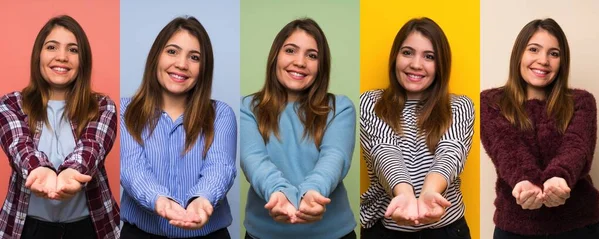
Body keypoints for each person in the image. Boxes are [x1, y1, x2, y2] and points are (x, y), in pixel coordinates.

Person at [0, 15, 119, 239]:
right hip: (27, 229)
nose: (62, 57)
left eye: (73, 50)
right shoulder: (10, 104)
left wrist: (71, 172)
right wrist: (38, 169)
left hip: (90, 228)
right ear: (38, 55)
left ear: (83, 60)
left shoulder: (103, 107)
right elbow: (18, 144)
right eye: (52, 47)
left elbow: (91, 147)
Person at [481, 18, 599, 239]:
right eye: (534, 49)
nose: (543, 60)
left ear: (562, 62)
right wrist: (526, 181)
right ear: (519, 54)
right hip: (515, 228)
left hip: (578, 227)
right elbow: (505, 147)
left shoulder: (582, 101)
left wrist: (559, 177)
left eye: (554, 53)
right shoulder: (490, 102)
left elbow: (577, 146)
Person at [119, 16, 237, 239]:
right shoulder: (125, 111)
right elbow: (131, 168)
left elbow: (220, 166)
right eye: (172, 51)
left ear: (204, 67)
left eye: (194, 57)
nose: (182, 64)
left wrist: (201, 200)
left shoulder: (221, 114)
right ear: (156, 56)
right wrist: (161, 201)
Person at [240, 18, 357, 239]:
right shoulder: (247, 108)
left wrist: (312, 192)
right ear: (276, 55)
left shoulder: (340, 108)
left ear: (321, 65)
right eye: (291, 50)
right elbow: (253, 159)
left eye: (312, 55)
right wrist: (279, 192)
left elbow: (334, 157)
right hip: (263, 235)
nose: (300, 62)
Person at [360, 17, 474, 239]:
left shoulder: (460, 106)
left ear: (441, 64)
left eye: (429, 57)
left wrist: (430, 192)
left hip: (447, 231)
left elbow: (451, 152)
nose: (416, 64)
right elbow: (385, 152)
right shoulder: (370, 103)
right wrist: (404, 195)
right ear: (395, 56)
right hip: (386, 231)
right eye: (407, 52)